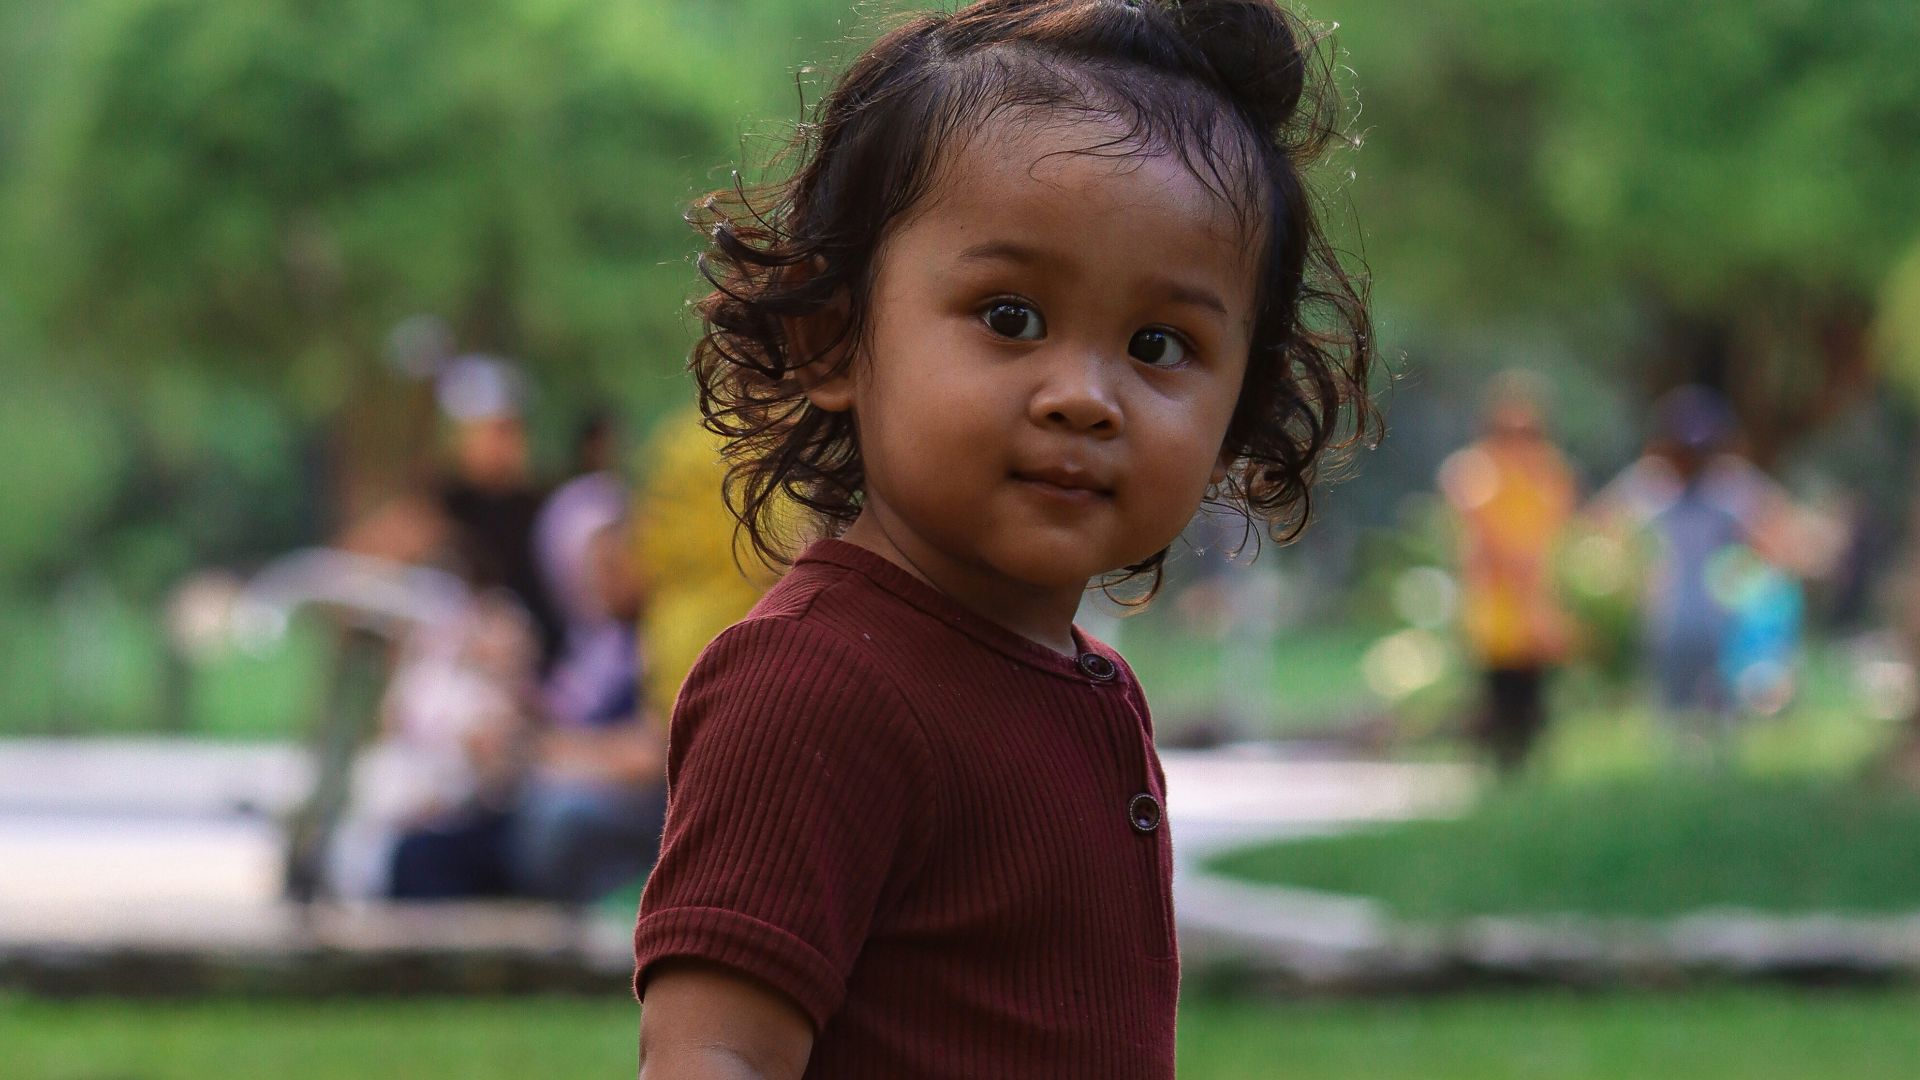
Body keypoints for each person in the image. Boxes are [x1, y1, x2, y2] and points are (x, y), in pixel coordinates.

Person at [631, 2, 1376, 1077]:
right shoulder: (813, 684)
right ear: (833, 339)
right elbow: (713, 1057)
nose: (1084, 396)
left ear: (1239, 407)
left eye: (1159, 344)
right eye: (1011, 316)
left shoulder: (1091, 693)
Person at [1438, 374, 1578, 774]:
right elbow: (1488, 542)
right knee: (1499, 698)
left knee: (1533, 701)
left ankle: (1521, 775)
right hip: (1498, 610)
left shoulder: (1549, 475)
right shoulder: (1477, 473)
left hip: (1537, 606)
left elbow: (1555, 537)